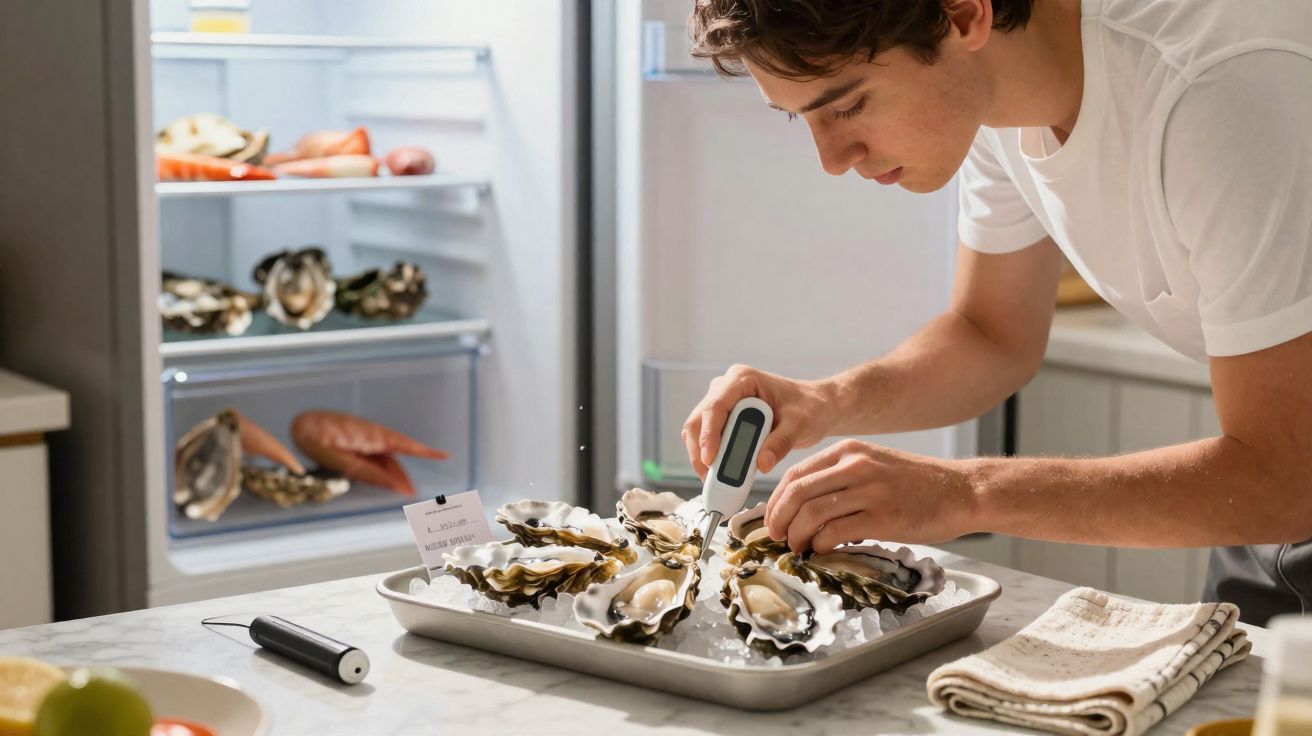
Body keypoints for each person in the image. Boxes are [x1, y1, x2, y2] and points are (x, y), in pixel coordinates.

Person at [682, 0, 1312, 626]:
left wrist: (964, 494)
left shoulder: (1222, 92)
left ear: (962, 16)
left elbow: (1286, 476)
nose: (832, 158)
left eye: (847, 105)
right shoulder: (993, 95)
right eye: (803, 119)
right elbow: (991, 335)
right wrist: (822, 401)